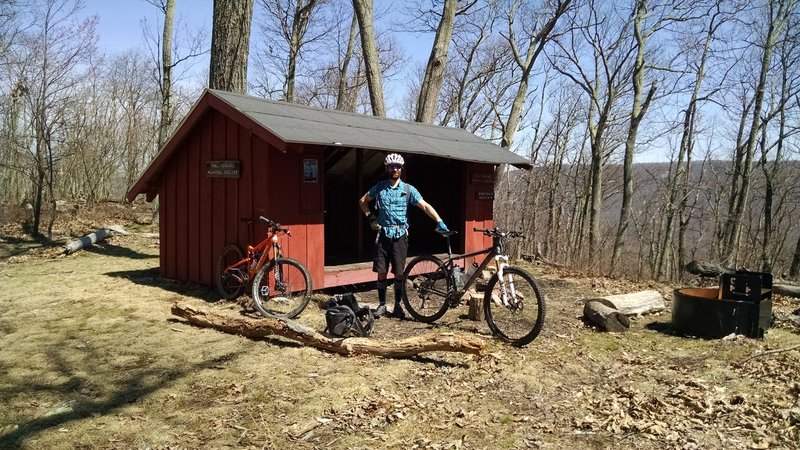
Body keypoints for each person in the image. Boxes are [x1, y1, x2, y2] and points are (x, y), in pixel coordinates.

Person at [358, 153, 448, 318]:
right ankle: (382, 305)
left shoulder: (408, 189)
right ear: (387, 168)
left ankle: (398, 305)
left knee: (399, 272)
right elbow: (363, 201)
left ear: (401, 169)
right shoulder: (379, 188)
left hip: (400, 235)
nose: (395, 169)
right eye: (392, 166)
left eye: (398, 167)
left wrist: (439, 220)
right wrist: (371, 217)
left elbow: (425, 206)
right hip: (383, 233)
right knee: (382, 271)